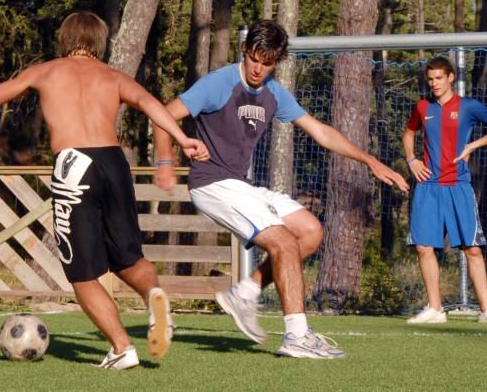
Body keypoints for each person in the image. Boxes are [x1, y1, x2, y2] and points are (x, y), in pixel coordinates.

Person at [153, 20, 410, 359]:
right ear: (245, 51)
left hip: (241, 184)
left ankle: (245, 292)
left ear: (277, 61)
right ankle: (297, 336)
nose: (259, 68)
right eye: (255, 58)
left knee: (309, 231)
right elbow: (162, 114)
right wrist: (166, 161)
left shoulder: (274, 92)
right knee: (283, 240)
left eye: (268, 61)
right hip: (211, 183)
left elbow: (320, 131)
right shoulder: (218, 84)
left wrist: (370, 161)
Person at [0, 11, 210, 370]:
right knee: (127, 257)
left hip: (73, 165)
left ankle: (121, 348)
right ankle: (152, 295)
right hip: (114, 164)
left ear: (64, 41)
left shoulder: (46, 70)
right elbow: (151, 104)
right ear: (100, 45)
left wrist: (14, 83)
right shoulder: (114, 76)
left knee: (82, 271)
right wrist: (182, 139)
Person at [402, 56, 487, 324]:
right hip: (428, 187)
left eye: (439, 78)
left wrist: (473, 146)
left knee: (472, 248)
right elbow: (409, 134)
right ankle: (435, 309)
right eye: (430, 79)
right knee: (423, 247)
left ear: (451, 77)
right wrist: (411, 159)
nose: (434, 84)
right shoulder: (422, 106)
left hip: (458, 186)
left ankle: (486, 310)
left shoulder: (468, 106)